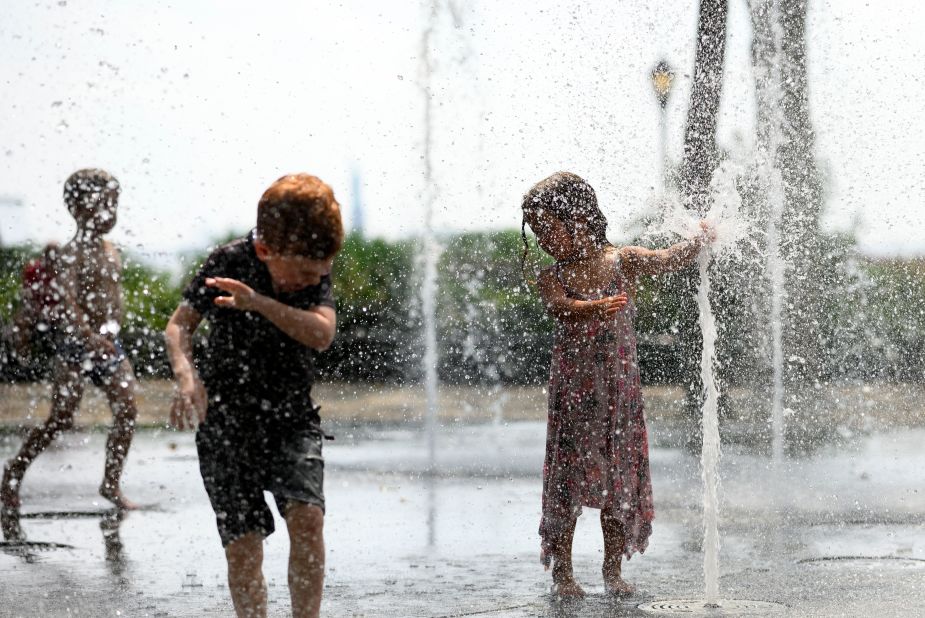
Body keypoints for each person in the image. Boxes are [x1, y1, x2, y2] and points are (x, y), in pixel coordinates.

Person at [520, 171, 714, 598]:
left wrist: (698, 242)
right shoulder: (552, 276)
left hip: (619, 395)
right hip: (574, 397)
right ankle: (564, 574)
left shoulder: (621, 261)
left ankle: (612, 572)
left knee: (616, 481)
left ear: (578, 218)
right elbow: (560, 308)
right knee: (569, 478)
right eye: (535, 233)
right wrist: (593, 307)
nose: (542, 241)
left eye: (546, 229)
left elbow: (667, 259)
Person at [165, 173, 342, 618]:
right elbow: (178, 326)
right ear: (265, 250)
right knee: (243, 544)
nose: (310, 280)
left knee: (308, 519)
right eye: (302, 272)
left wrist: (260, 302)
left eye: (319, 272)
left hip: (292, 420)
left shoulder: (314, 265)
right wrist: (187, 378)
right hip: (224, 424)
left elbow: (321, 333)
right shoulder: (227, 262)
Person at [2, 169, 140, 515]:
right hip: (77, 346)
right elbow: (68, 302)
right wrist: (89, 336)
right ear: (77, 210)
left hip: (109, 344)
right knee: (61, 419)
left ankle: (111, 482)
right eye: (103, 205)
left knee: (128, 409)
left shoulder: (112, 250)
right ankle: (13, 473)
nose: (111, 213)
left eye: (114, 204)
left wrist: (109, 333)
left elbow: (113, 299)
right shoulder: (71, 252)